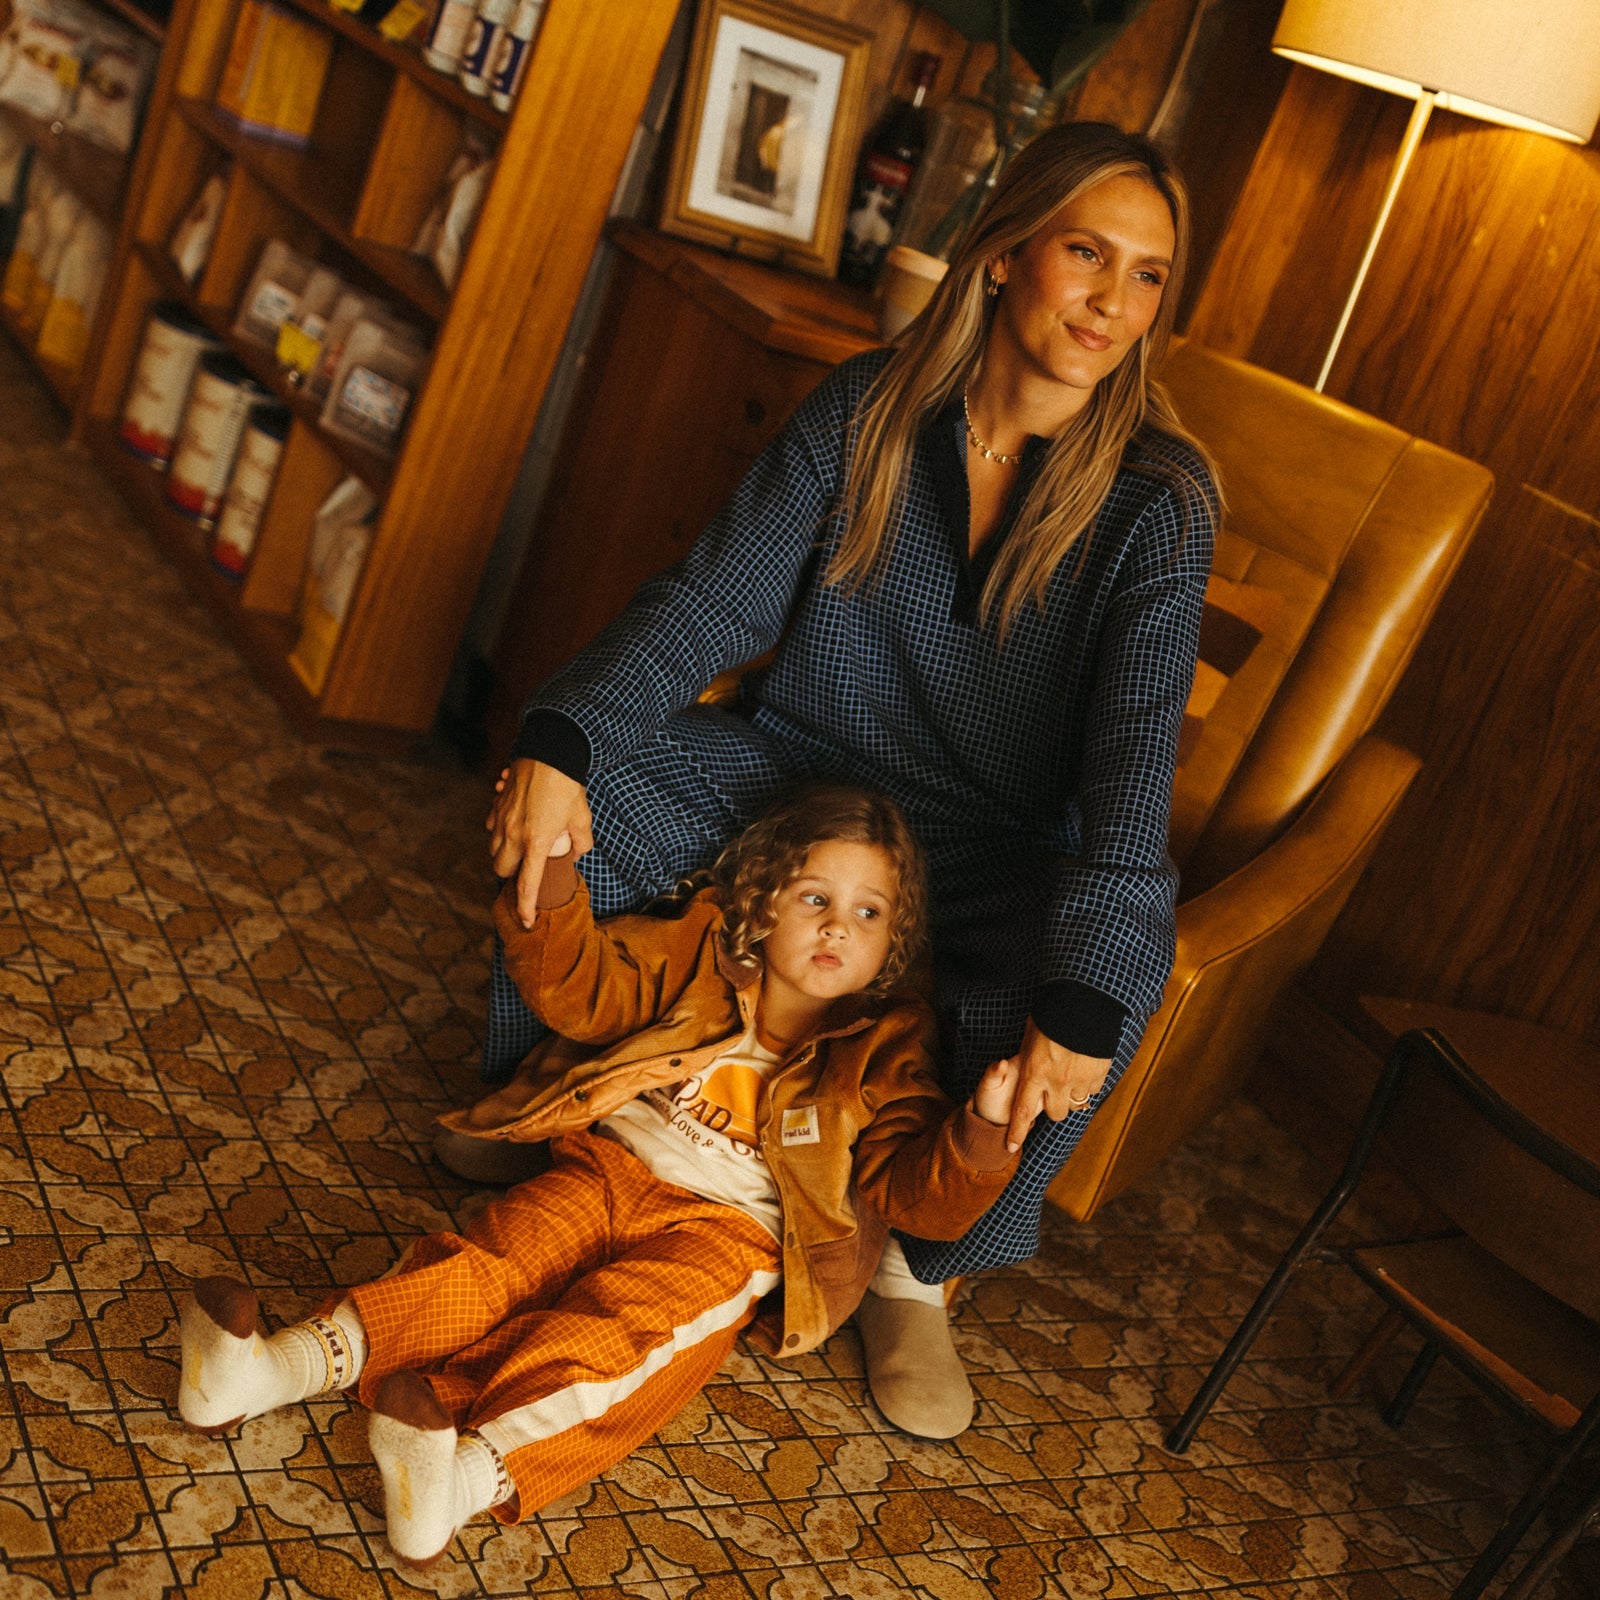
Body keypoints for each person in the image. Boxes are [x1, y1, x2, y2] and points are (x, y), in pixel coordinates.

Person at [465, 121, 1219, 1437]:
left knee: (1111, 966)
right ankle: (562, 1095)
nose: (1114, 303)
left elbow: (1128, 792)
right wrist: (562, 738)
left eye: (1148, 276)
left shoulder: (1159, 501)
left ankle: (914, 1273)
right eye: (1087, 255)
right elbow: (707, 608)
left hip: (990, 842)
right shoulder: (867, 408)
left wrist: (1090, 1003)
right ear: (1001, 257)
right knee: (609, 789)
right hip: (797, 769)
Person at [177, 786, 1023, 1567]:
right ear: (762, 904)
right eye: (815, 899)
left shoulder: (889, 1045)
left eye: (867, 913)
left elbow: (915, 1196)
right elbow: (589, 991)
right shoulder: (704, 948)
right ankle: (267, 1369)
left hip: (728, 1235)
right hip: (608, 1167)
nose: (838, 927)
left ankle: (461, 1478)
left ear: (892, 943)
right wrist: (549, 883)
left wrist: (983, 1132)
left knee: (612, 1337)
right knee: (486, 1262)